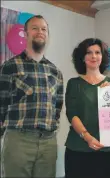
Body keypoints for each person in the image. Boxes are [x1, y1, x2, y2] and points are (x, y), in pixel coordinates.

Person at [0, 15, 63, 177]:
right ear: (26, 33)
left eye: (44, 29)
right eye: (35, 28)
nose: (40, 32)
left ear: (47, 35)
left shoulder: (55, 71)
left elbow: (57, 106)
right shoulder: (10, 66)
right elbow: (2, 102)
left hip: (48, 142)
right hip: (18, 139)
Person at [64, 38, 110, 178]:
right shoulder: (74, 83)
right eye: (89, 52)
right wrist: (87, 137)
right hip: (78, 148)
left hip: (107, 149)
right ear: (82, 57)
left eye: (97, 52)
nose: (94, 56)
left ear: (103, 56)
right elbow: (72, 114)